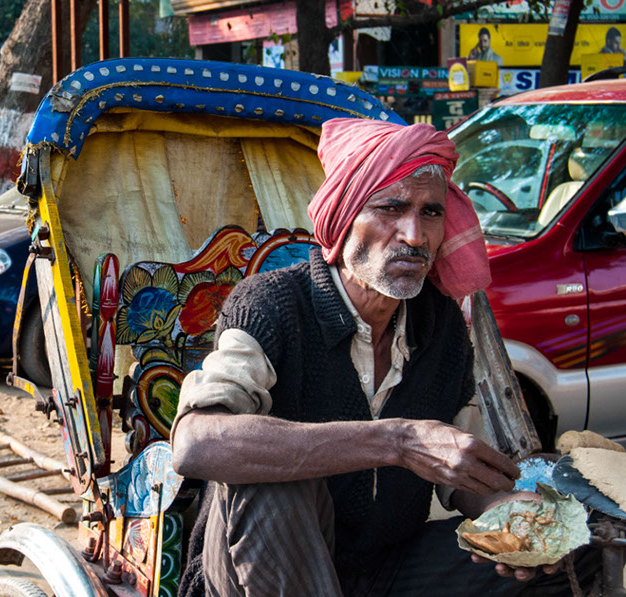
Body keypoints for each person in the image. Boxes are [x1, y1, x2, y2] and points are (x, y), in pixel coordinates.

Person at [171, 119, 598, 596]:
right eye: (391, 207)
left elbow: (461, 474)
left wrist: (508, 511)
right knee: (273, 486)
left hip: (385, 570)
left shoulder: (440, 326)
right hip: (261, 571)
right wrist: (398, 441)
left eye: (431, 212)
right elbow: (197, 442)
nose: (415, 235)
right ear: (344, 215)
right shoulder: (271, 305)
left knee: (574, 553)